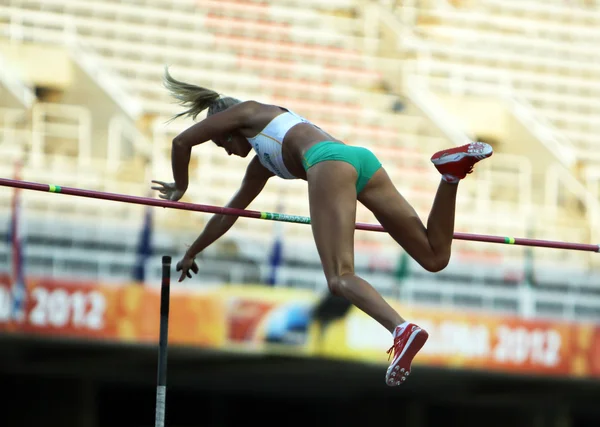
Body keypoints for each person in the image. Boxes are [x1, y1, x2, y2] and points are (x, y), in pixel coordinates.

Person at [151, 68, 493, 387]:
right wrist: (194, 249)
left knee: (340, 277)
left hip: (329, 164)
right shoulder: (262, 160)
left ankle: (401, 330)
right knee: (434, 257)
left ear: (223, 128)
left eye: (221, 143)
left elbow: (181, 142)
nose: (226, 152)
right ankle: (450, 175)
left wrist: (180, 186)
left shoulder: (249, 112)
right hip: (359, 161)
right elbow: (230, 211)